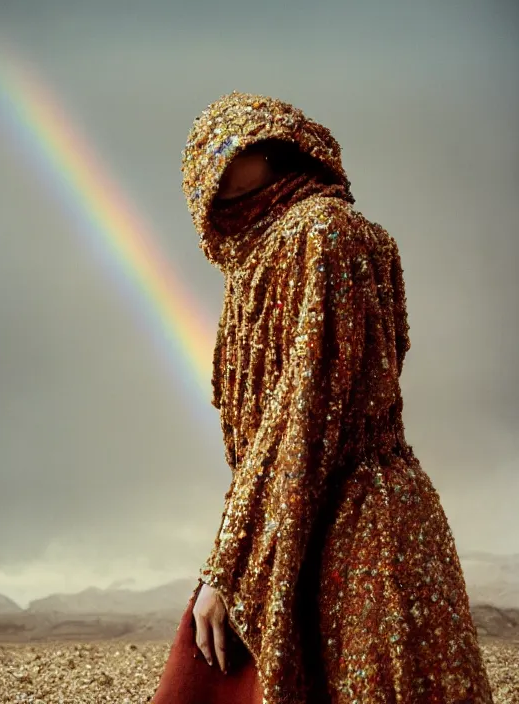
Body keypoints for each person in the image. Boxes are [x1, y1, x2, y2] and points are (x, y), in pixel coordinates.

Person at [153, 92, 493, 704]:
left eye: (245, 143)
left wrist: (231, 566)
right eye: (212, 153)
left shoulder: (323, 234)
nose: (226, 161)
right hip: (297, 520)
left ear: (283, 143)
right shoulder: (253, 263)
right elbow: (278, 433)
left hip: (361, 537)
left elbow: (302, 417)